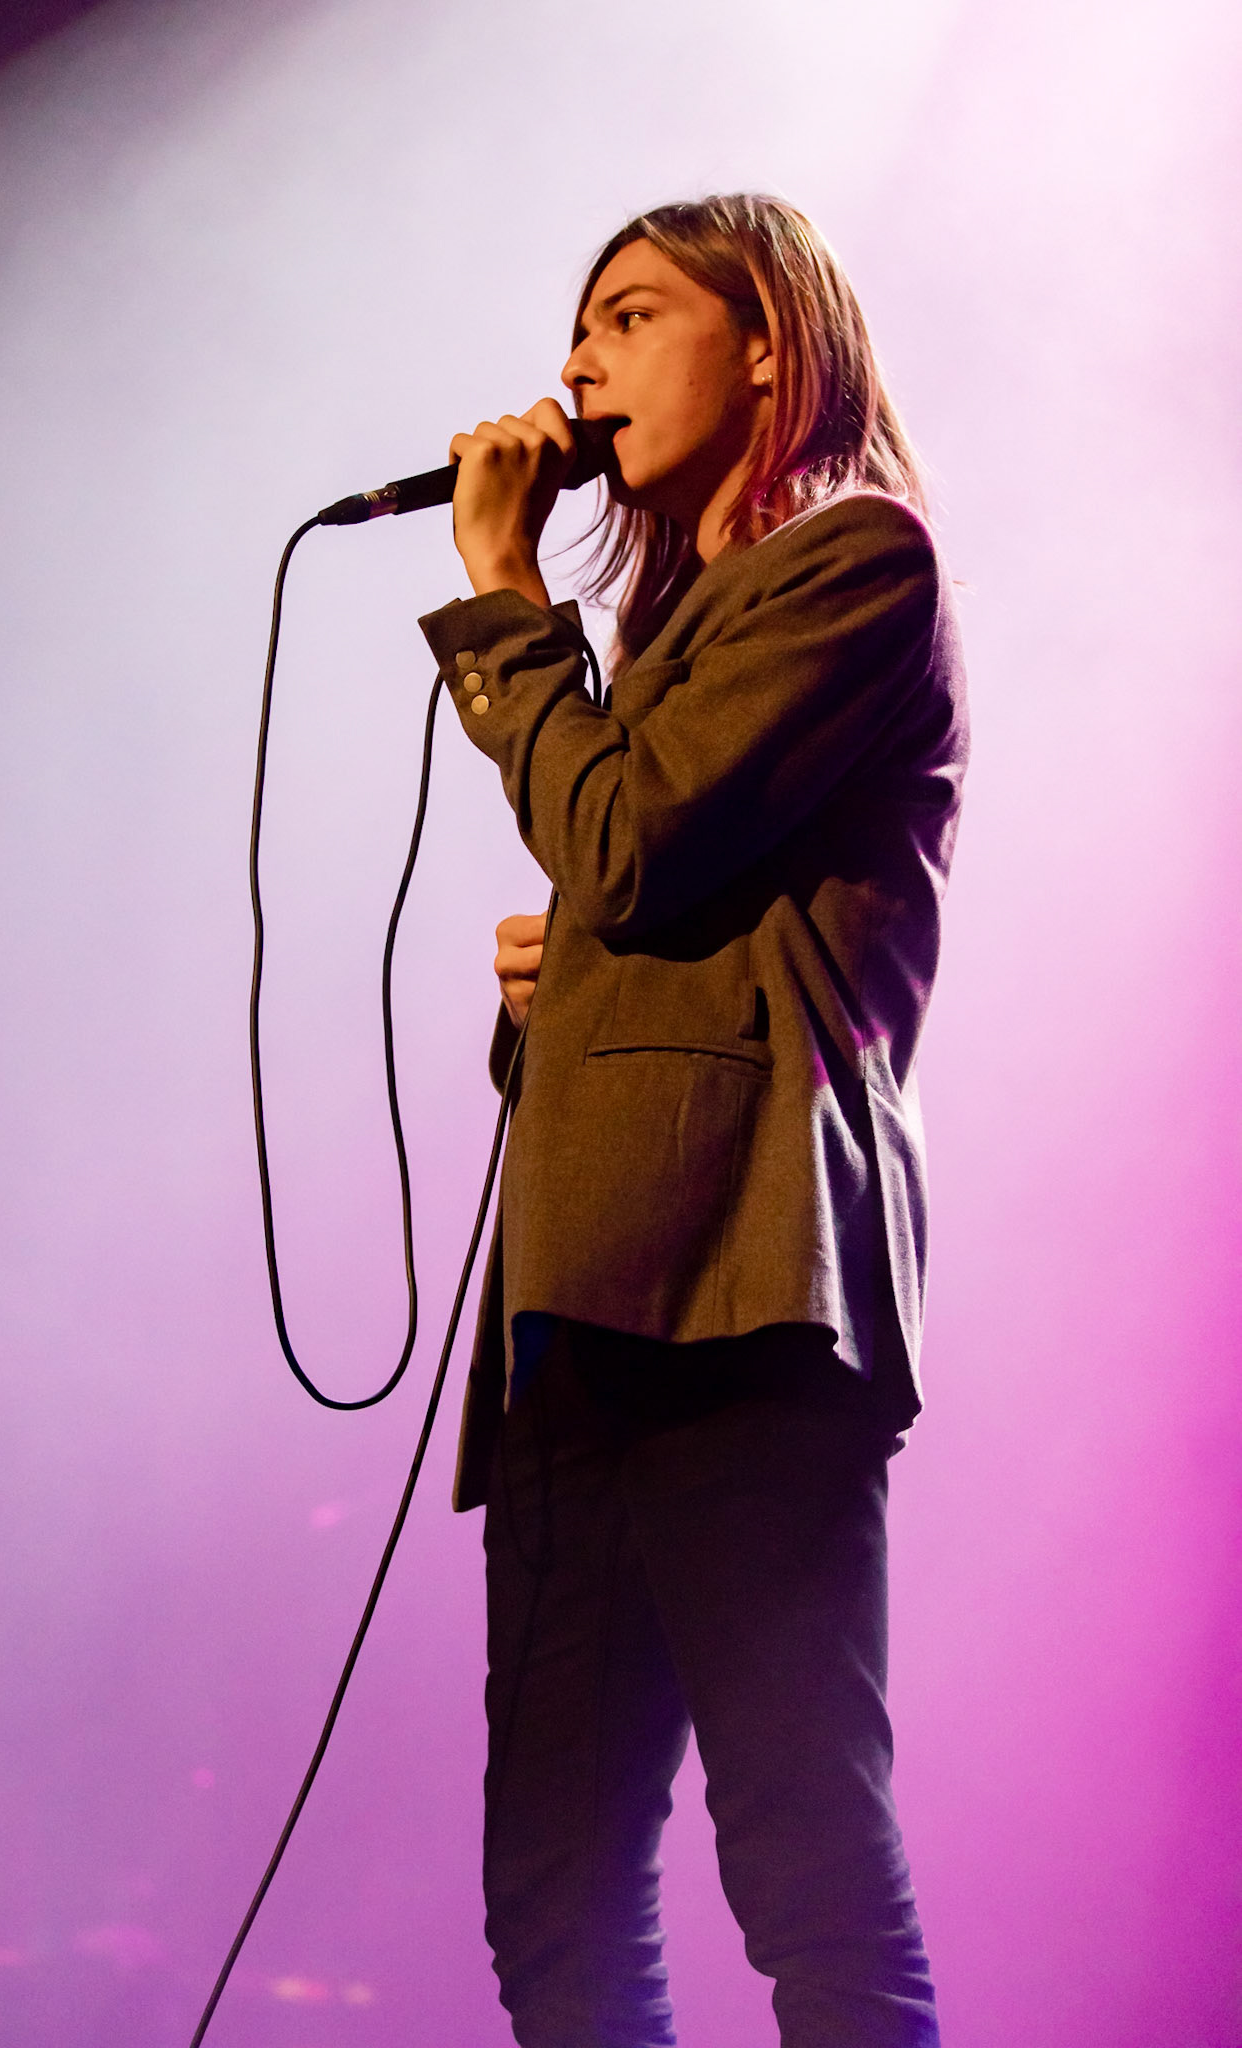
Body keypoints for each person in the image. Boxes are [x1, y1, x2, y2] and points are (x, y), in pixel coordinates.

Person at [417, 195, 967, 2048]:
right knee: (553, 1904)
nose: (576, 362)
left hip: (747, 1292)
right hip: (579, 1314)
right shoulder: (661, 644)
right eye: (576, 323)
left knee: (806, 1873)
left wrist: (503, 605)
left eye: (631, 314)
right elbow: (634, 886)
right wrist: (559, 989)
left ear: (765, 342)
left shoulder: (854, 562)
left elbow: (634, 847)